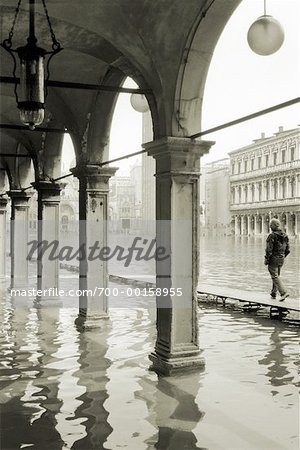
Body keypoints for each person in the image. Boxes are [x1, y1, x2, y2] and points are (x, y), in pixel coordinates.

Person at [264, 218, 290, 301]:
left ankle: (283, 292)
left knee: (274, 275)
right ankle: (274, 292)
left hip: (274, 258)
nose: (270, 226)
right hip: (281, 258)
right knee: (276, 275)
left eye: (271, 225)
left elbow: (269, 249)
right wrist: (282, 256)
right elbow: (288, 249)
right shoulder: (285, 235)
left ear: (274, 226)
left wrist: (267, 259)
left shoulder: (272, 235)